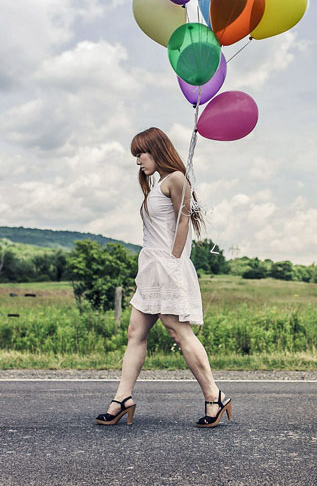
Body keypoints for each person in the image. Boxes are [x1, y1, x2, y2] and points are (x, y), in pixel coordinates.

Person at [95, 127, 232, 428]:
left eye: (141, 153)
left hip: (168, 267)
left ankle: (214, 395)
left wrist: (173, 262)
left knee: (177, 331)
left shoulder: (176, 179)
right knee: (135, 332)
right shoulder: (157, 185)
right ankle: (122, 398)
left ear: (156, 149)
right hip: (150, 269)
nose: (138, 161)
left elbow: (183, 222)